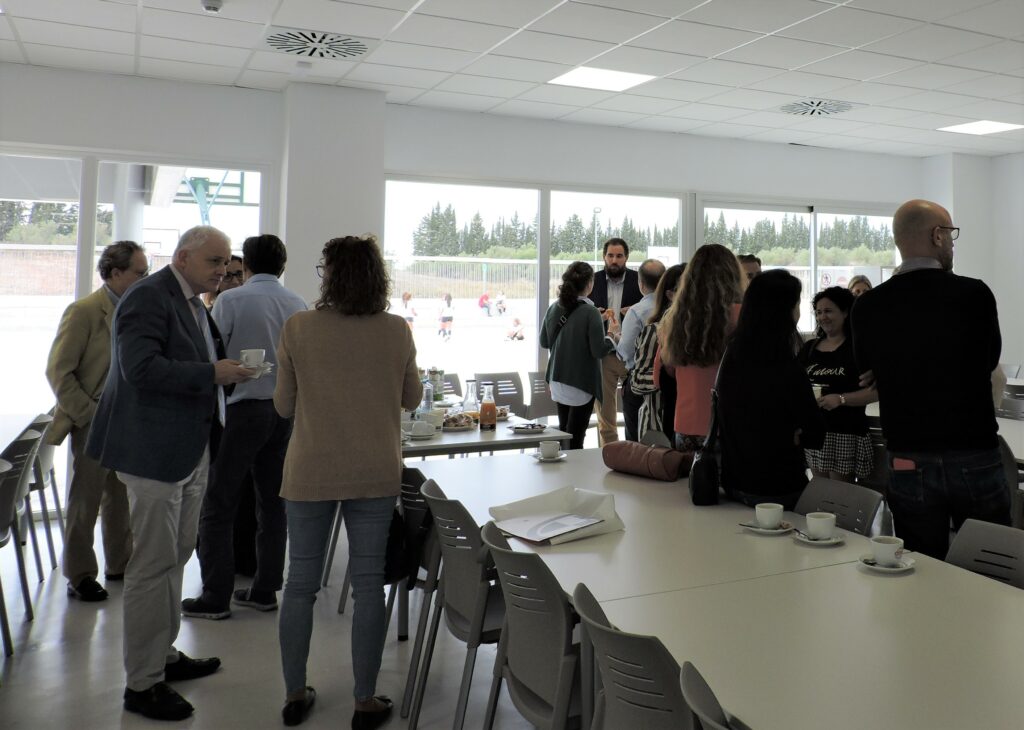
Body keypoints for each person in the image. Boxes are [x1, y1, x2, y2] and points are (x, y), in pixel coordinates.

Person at [86, 226, 253, 721]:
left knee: (177, 558)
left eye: (226, 261)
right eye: (215, 261)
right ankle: (142, 684)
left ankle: (164, 655)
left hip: (189, 448)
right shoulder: (147, 298)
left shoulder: (192, 300)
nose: (223, 270)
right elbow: (140, 370)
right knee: (152, 566)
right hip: (153, 452)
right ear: (182, 257)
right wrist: (212, 374)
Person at [274, 235, 421, 729]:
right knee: (367, 587)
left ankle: (295, 694)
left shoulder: (298, 328)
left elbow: (283, 406)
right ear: (378, 277)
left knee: (300, 585)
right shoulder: (397, 330)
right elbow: (412, 398)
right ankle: (364, 701)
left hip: (310, 469)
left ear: (328, 276)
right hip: (375, 470)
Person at [851, 199, 1009, 559]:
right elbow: (989, 361)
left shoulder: (869, 305)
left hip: (907, 453)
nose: (953, 243)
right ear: (937, 236)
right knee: (990, 562)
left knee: (920, 563)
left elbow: (868, 375)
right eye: (950, 233)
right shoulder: (974, 294)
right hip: (973, 449)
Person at [183, 234, 307, 620]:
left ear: (246, 264)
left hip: (240, 410)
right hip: (283, 412)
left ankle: (216, 594)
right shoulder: (297, 303)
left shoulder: (231, 301)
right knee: (273, 503)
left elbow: (211, 353)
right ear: (283, 266)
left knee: (219, 502)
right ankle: (266, 588)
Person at [45, 240, 147, 603]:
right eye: (139, 272)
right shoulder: (84, 311)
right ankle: (80, 574)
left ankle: (119, 563)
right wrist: (89, 413)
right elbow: (59, 371)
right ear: (115, 273)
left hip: (128, 419)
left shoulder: (136, 311)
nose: (144, 278)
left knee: (121, 496)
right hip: (92, 418)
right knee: (85, 500)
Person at [718, 270, 826, 508]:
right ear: (786, 311)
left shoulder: (732, 354)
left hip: (733, 482)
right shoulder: (785, 365)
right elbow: (815, 433)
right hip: (777, 487)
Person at [656, 244, 743, 452]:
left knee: (691, 484)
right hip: (730, 423)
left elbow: (660, 377)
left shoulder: (675, 320)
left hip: (685, 425)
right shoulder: (743, 315)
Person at [798, 287, 876, 483]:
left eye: (828, 311)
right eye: (818, 312)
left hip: (845, 433)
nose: (823, 317)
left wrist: (841, 399)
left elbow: (876, 392)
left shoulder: (858, 348)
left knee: (839, 497)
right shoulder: (809, 348)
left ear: (845, 312)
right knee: (820, 492)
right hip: (815, 432)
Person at [540, 262, 619, 450]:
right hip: (581, 382)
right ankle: (573, 476)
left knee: (564, 432)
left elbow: (545, 341)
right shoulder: (590, 311)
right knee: (576, 436)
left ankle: (561, 474)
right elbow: (598, 350)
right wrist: (611, 334)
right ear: (590, 284)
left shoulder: (554, 307)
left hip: (557, 379)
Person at [588, 238, 642, 445]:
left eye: (619, 256)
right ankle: (608, 452)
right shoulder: (593, 281)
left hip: (633, 354)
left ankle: (635, 449)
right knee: (605, 412)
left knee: (635, 408)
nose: (614, 260)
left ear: (626, 258)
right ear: (604, 257)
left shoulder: (639, 280)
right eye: (610, 256)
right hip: (605, 353)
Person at [610, 259, 665, 441]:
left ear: (641, 284)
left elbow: (625, 351)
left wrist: (617, 334)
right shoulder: (676, 308)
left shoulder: (636, 312)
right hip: (669, 383)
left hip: (640, 385)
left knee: (636, 441)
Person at [628, 263, 684, 444]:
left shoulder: (704, 331)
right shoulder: (655, 331)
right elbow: (637, 382)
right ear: (670, 294)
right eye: (686, 289)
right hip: (658, 427)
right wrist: (666, 378)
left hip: (689, 424)